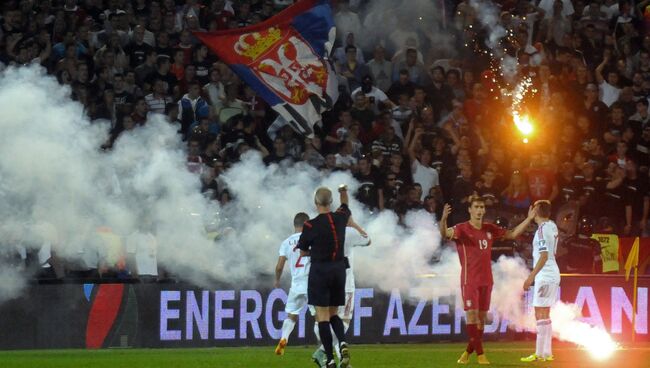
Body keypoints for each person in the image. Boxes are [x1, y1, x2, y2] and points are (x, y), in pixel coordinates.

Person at [440, 195, 536, 365]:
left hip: (487, 280)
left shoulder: (489, 229)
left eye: (482, 207)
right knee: (472, 316)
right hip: (469, 281)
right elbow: (445, 234)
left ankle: (467, 352)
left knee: (481, 320)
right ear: (470, 210)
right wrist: (444, 219)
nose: (479, 210)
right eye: (476, 207)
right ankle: (481, 354)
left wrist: (529, 218)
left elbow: (512, 234)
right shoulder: (462, 229)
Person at [297, 186, 353, 368]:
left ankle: (329, 359)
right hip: (339, 270)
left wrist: (314, 250)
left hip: (320, 272)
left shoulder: (310, 225)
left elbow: (303, 251)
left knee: (322, 317)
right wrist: (343, 190)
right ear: (331, 202)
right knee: (334, 313)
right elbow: (345, 203)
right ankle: (343, 343)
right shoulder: (341, 217)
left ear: (315, 203)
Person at [312, 223, 370, 367]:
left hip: (325, 281)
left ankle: (329, 355)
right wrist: (355, 224)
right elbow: (367, 240)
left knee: (324, 319)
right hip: (346, 283)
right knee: (342, 322)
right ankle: (325, 352)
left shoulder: (321, 230)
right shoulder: (348, 232)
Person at [521, 200, 561, 362]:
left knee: (540, 312)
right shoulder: (552, 226)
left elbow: (544, 255)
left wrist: (531, 276)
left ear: (536, 211)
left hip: (545, 275)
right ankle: (547, 353)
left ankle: (539, 353)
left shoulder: (542, 231)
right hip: (552, 273)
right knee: (545, 312)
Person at [273, 212, 310, 356]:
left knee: (291, 315)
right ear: (307, 224)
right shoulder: (312, 239)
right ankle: (326, 347)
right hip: (312, 283)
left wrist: (277, 280)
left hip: (296, 285)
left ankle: (284, 338)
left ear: (294, 225)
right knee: (321, 317)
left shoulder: (286, 242)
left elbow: (279, 266)